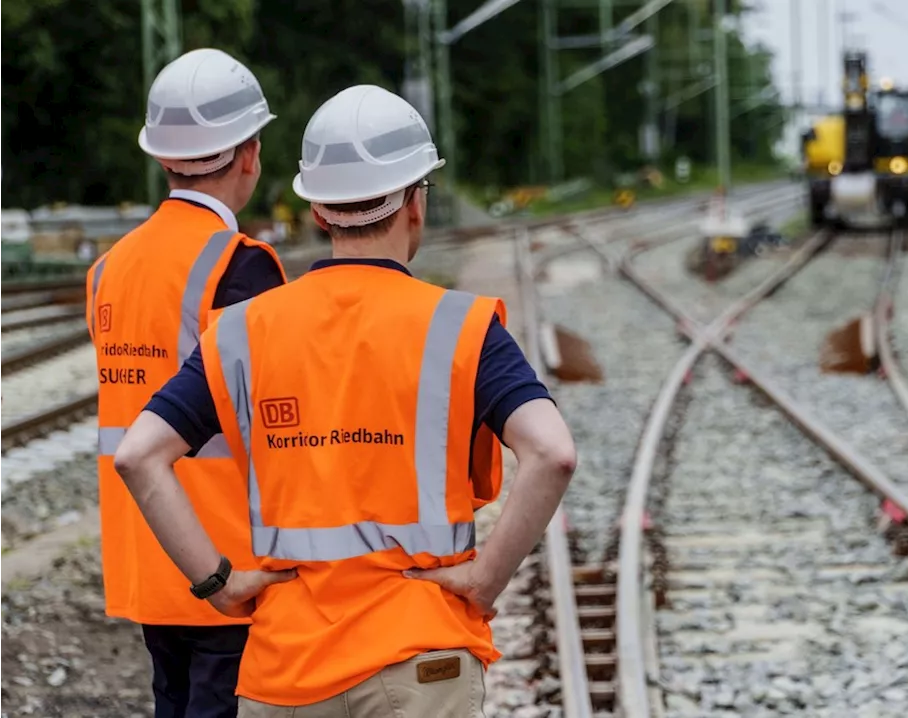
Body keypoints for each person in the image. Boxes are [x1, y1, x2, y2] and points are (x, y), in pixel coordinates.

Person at [112, 84, 578, 717]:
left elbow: (139, 456)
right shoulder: (461, 327)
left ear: (320, 212)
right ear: (416, 202)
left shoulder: (244, 331)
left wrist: (219, 584)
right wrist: (483, 580)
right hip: (421, 659)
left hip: (287, 669)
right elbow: (551, 453)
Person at [86, 47, 285, 718]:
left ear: (161, 157)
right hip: (227, 564)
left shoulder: (108, 269)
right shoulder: (241, 266)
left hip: (148, 557)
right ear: (250, 154)